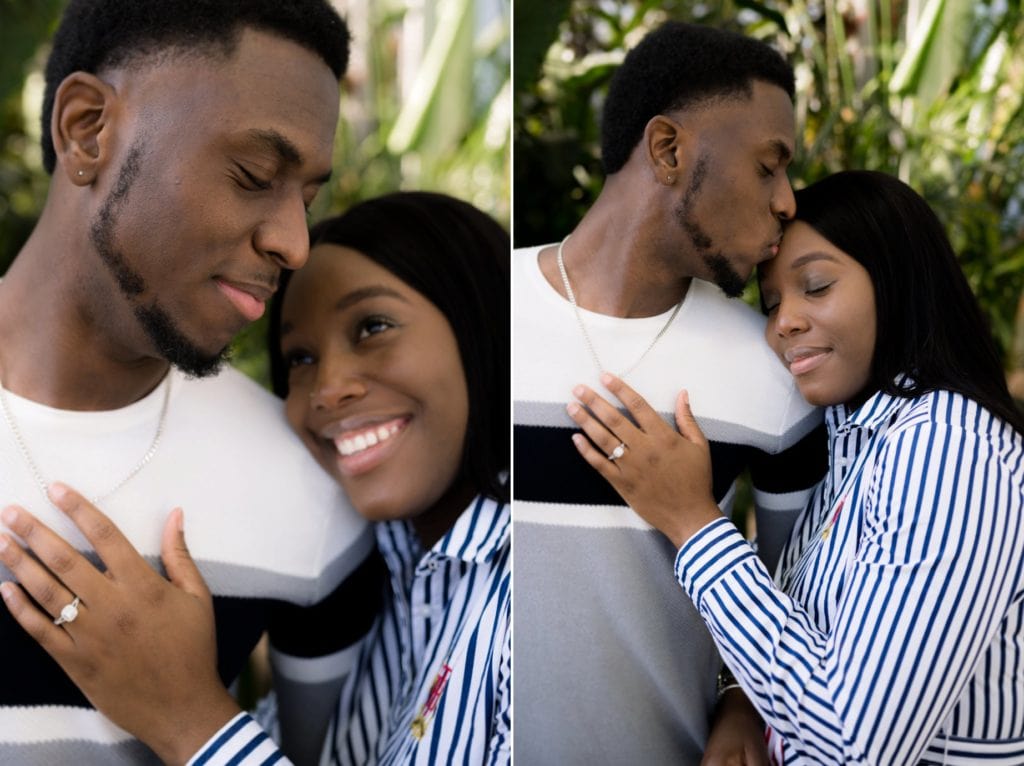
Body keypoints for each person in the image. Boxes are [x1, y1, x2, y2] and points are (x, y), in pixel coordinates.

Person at [0, 191, 512, 765]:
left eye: (373, 326)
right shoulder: (384, 565)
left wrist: (189, 716)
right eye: (300, 358)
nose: (328, 388)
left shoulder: (532, 599)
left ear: (482, 324)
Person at [0, 2, 376, 763]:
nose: (294, 243)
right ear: (86, 129)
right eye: (254, 176)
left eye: (306, 199)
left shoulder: (309, 490)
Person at [568, 170, 1024, 765]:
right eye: (774, 301)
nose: (784, 322)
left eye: (815, 286)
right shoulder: (862, 442)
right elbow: (808, 642)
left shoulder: (950, 450)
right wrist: (742, 705)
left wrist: (693, 523)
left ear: (898, 282)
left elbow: (855, 743)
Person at [513, 20, 827, 764]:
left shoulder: (775, 375)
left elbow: (801, 606)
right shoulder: (492, 317)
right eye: (768, 166)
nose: (788, 201)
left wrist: (744, 704)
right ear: (668, 150)